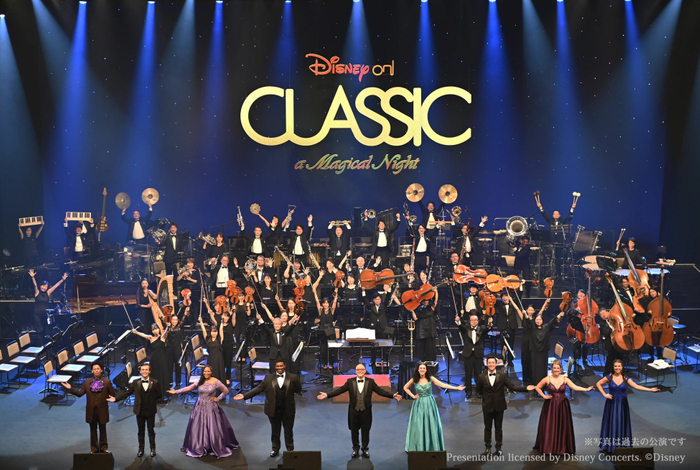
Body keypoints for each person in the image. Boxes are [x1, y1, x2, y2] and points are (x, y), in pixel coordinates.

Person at [317, 363, 401, 458]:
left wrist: (392, 395)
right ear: (356, 371)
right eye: (358, 370)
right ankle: (355, 449)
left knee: (366, 431)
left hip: (366, 411)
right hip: (354, 411)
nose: (360, 371)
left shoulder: (371, 382)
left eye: (362, 369)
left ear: (365, 371)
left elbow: (380, 391)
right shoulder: (350, 381)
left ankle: (365, 449)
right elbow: (339, 390)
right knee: (354, 431)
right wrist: (327, 395)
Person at [234, 360, 302, 457]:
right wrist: (245, 396)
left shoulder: (293, 377)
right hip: (273, 409)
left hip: (288, 409)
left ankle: (290, 450)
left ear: (285, 366)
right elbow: (258, 389)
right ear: (275, 367)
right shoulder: (268, 378)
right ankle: (275, 449)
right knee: (275, 431)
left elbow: (298, 389)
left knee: (288, 431)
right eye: (277, 366)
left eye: (281, 366)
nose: (279, 368)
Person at [169, 365, 239, 458]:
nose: (206, 373)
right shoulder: (200, 381)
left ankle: (213, 445)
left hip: (211, 407)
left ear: (211, 372)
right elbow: (189, 388)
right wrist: (177, 391)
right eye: (205, 371)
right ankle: (200, 446)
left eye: (208, 371)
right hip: (200, 406)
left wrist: (218, 398)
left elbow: (225, 390)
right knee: (198, 427)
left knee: (212, 426)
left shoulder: (215, 381)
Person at [596, 359, 659, 454]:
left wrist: (650, 389)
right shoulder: (610, 377)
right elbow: (598, 384)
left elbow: (636, 386)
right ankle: (610, 446)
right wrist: (605, 394)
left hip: (622, 405)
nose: (617, 368)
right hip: (611, 404)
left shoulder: (625, 378)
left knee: (621, 423)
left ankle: (621, 446)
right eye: (615, 366)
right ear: (613, 367)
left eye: (619, 366)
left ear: (622, 367)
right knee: (612, 423)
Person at [476, 356, 534, 456]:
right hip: (487, 406)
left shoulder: (502, 376)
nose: (491, 364)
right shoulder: (481, 377)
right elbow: (479, 391)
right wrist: (486, 398)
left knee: (498, 428)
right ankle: (488, 447)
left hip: (499, 406)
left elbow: (512, 387)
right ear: (486, 364)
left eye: (493, 363)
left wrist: (526, 388)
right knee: (487, 428)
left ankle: (498, 447)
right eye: (489, 363)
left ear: (496, 364)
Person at [533, 359, 594, 455]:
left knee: (562, 425)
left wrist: (586, 389)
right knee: (550, 425)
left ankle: (562, 447)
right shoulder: (547, 379)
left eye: (557, 368)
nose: (556, 370)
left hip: (562, 405)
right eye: (554, 368)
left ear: (560, 369)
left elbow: (575, 387)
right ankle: (549, 447)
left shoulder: (565, 379)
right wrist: (544, 396)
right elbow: (537, 387)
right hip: (551, 405)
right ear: (552, 369)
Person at [403, 363, 464, 451]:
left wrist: (456, 388)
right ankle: (419, 446)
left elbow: (443, 385)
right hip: (419, 403)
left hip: (429, 403)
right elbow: (405, 387)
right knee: (419, 423)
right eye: (420, 368)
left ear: (426, 370)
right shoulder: (414, 379)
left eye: (424, 368)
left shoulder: (431, 378)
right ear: (418, 370)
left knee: (430, 422)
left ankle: (430, 445)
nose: (422, 369)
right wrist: (413, 396)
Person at [61, 362, 116, 453]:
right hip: (91, 410)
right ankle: (94, 448)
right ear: (92, 371)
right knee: (93, 430)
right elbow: (80, 394)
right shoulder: (87, 382)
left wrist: (110, 395)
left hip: (102, 410)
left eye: (98, 369)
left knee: (103, 429)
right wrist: (71, 388)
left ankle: (104, 448)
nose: (96, 370)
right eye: (94, 369)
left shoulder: (107, 382)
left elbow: (112, 394)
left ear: (101, 370)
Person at [111, 363, 162, 457]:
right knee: (140, 431)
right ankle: (141, 449)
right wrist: (116, 399)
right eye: (143, 369)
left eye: (146, 369)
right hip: (139, 410)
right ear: (140, 371)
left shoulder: (155, 382)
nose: (144, 371)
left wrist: (151, 400)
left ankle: (152, 449)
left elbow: (159, 395)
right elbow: (128, 393)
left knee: (151, 431)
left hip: (150, 410)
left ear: (149, 371)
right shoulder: (135, 382)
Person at [131, 309, 170, 403]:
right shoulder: (151, 338)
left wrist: (163, 320)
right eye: (153, 329)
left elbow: (167, 329)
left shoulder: (162, 337)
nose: (155, 330)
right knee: (155, 376)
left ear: (158, 329)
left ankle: (163, 394)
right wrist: (136, 332)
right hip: (154, 359)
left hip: (162, 358)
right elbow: (143, 335)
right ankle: (154, 394)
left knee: (162, 375)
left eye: (156, 328)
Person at [456, 312, 492, 400]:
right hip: (468, 354)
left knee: (478, 374)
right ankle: (468, 391)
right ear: (470, 321)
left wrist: (489, 323)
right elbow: (460, 326)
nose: (474, 321)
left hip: (478, 354)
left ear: (478, 321)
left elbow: (488, 329)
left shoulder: (481, 328)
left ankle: (478, 391)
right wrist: (458, 321)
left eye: (475, 320)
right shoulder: (466, 328)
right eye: (472, 320)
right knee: (468, 373)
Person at [514, 300, 551, 384]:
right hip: (525, 340)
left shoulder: (536, 319)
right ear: (526, 310)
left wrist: (545, 302)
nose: (530, 311)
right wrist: (511, 299)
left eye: (532, 310)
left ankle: (532, 377)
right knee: (525, 358)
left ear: (534, 311)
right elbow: (517, 309)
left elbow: (542, 310)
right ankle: (525, 377)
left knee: (532, 358)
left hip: (533, 339)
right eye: (529, 309)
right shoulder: (523, 317)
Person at [526, 309, 565, 384]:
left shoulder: (546, 327)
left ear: (543, 320)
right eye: (537, 319)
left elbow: (552, 322)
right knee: (535, 369)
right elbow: (528, 321)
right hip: (535, 352)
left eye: (540, 319)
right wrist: (526, 315)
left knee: (543, 368)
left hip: (543, 352)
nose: (538, 321)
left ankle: (544, 383)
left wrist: (559, 315)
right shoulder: (532, 328)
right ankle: (536, 384)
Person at [28, 269, 67, 339]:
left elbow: (55, 286)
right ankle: (40, 344)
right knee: (40, 330)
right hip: (37, 315)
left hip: (44, 315)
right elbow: (35, 285)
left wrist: (62, 280)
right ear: (40, 286)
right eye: (43, 286)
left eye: (46, 286)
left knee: (45, 331)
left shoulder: (48, 293)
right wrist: (32, 277)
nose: (44, 287)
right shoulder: (37, 293)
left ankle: (44, 344)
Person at [410, 297, 439, 363]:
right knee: (420, 346)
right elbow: (415, 318)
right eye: (424, 300)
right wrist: (412, 310)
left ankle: (430, 361)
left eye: (427, 300)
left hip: (430, 328)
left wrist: (436, 292)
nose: (426, 302)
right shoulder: (419, 309)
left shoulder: (431, 307)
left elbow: (436, 301)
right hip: (421, 328)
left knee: (430, 346)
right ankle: (420, 361)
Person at [198, 314, 225, 382]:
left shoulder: (219, 339)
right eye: (213, 331)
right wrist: (201, 322)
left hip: (219, 360)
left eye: (215, 331)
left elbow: (221, 329)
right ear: (210, 332)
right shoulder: (208, 339)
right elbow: (204, 331)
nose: (214, 333)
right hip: (211, 359)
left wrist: (222, 321)